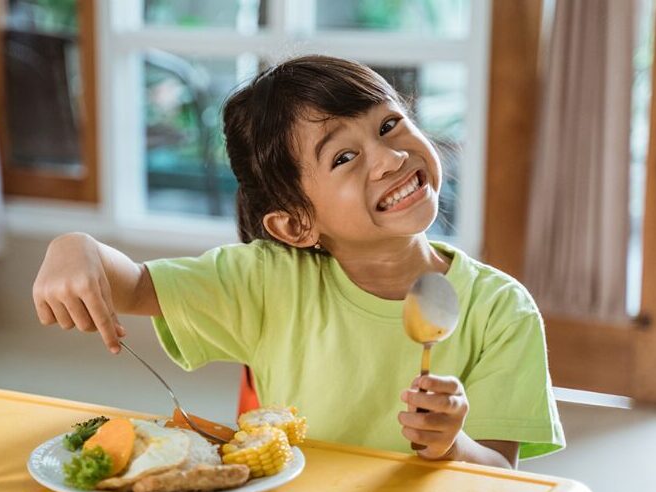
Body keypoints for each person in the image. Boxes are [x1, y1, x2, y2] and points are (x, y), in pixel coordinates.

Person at [32, 55, 564, 470]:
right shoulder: (268, 280)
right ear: (295, 225)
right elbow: (132, 286)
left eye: (389, 125)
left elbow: (500, 474)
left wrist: (453, 444)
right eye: (344, 157)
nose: (392, 157)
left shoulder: (501, 310)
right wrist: (75, 247)